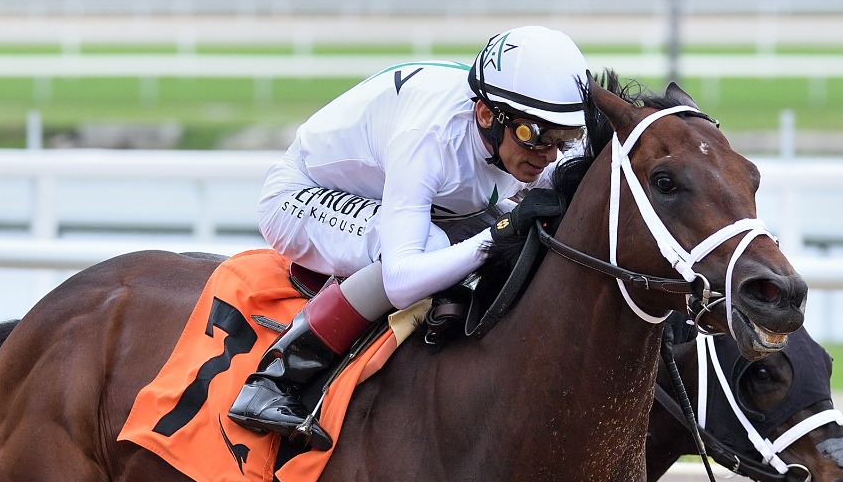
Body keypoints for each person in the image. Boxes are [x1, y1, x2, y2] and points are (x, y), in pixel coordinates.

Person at [228, 25, 593, 449]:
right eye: (535, 136)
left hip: (409, 197)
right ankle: (276, 378)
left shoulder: (511, 128)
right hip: (300, 196)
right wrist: (498, 233)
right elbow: (401, 280)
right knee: (434, 249)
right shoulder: (430, 138)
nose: (548, 155)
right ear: (487, 115)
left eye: (564, 138)